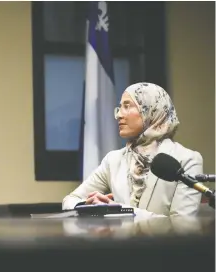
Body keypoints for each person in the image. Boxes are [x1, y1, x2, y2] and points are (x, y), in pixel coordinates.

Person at [63, 82, 203, 217]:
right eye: (119, 108)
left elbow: (182, 225)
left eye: (127, 106)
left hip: (163, 242)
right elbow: (70, 200)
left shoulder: (187, 160)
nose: (119, 115)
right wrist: (95, 206)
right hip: (120, 241)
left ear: (150, 110)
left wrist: (121, 211)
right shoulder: (113, 160)